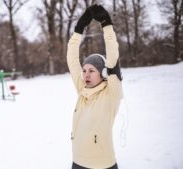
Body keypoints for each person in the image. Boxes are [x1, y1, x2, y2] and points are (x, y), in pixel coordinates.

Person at [67, 4, 123, 169]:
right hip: (77, 162)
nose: (85, 75)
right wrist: (78, 29)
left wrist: (106, 24)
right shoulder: (82, 90)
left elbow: (113, 55)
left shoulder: (111, 92)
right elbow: (71, 58)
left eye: (92, 70)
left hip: (102, 165)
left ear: (103, 73)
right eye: (84, 70)